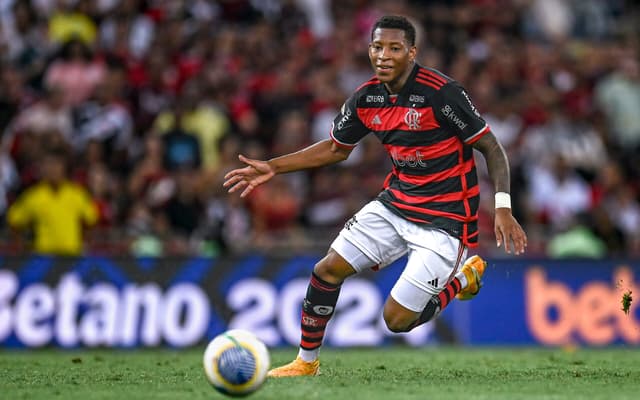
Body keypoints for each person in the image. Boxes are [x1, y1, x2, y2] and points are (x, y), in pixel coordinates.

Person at [223, 15, 527, 377]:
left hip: (446, 221)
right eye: (377, 46)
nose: (383, 55)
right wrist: (274, 166)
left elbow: (491, 147)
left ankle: (463, 279)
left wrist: (503, 209)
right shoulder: (367, 99)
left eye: (394, 48)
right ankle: (306, 362)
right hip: (396, 205)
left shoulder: (442, 93)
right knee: (327, 269)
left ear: (411, 53)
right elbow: (337, 149)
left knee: (397, 321)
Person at [7, 149, 98, 256]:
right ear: (43, 168)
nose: (53, 169)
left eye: (57, 165)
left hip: (71, 257)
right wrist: (22, 249)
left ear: (64, 168)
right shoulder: (33, 196)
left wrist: (85, 245)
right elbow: (14, 221)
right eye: (49, 165)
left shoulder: (77, 194)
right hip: (43, 257)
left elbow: (91, 221)